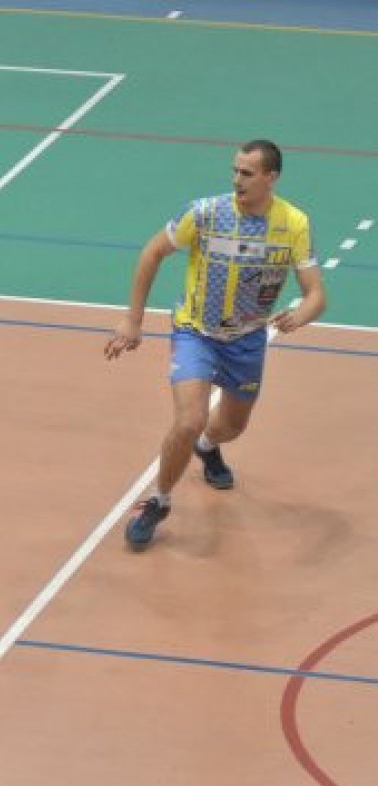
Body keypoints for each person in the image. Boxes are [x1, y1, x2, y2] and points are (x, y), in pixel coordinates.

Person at [105, 140, 327, 549]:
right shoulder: (206, 213)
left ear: (271, 177)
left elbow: (316, 294)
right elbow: (153, 252)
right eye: (235, 171)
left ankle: (208, 448)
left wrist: (302, 314)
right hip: (196, 332)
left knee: (231, 427)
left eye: (247, 173)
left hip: (247, 340)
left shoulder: (294, 224)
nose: (237, 179)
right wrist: (133, 320)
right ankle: (158, 501)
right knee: (188, 421)